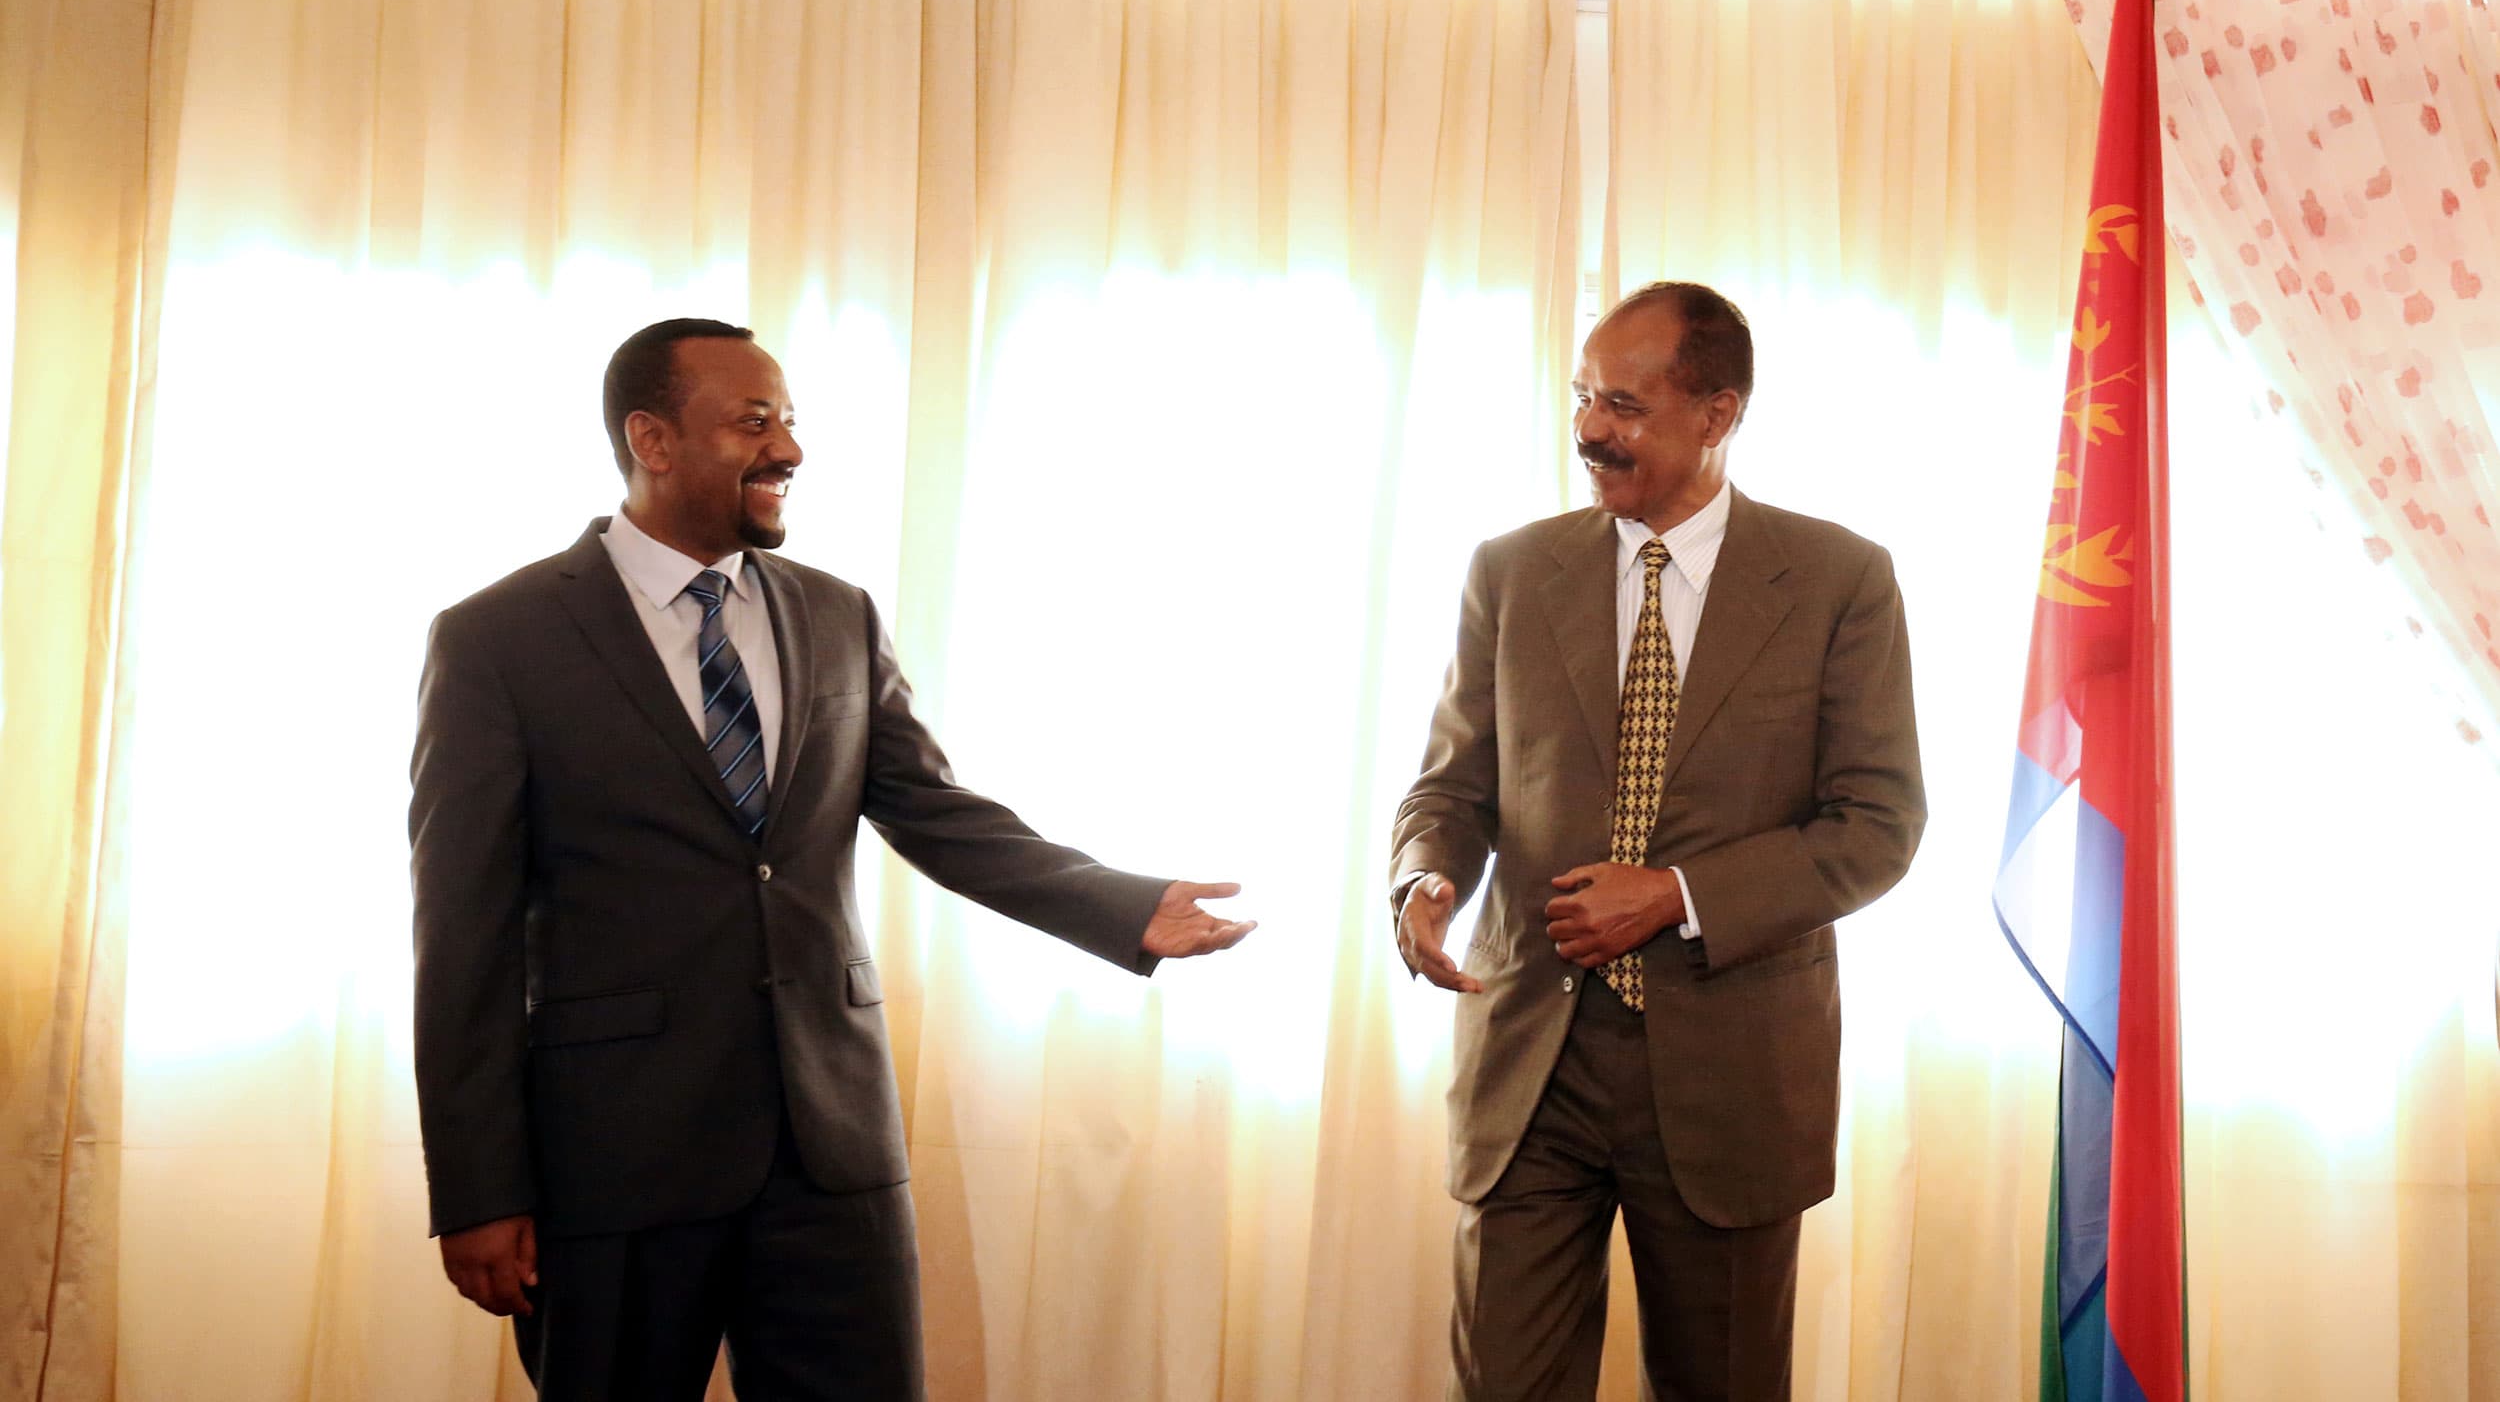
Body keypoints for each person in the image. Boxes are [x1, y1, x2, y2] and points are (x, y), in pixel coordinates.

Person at [410, 317, 1254, 1401]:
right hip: (614, 1157)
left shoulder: (834, 614)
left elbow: (933, 811)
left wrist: (1119, 907)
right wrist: (479, 1187)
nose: (790, 452)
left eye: (792, 423)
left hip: (831, 1149)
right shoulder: (498, 638)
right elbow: (459, 927)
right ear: (652, 440)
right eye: (754, 423)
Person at [1389, 283, 1924, 1401]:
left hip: (1730, 1074)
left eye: (1623, 405)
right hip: (1532, 1060)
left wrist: (1676, 893)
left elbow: (1876, 826)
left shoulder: (1839, 582)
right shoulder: (1511, 570)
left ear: (1718, 413)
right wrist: (1426, 873)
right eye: (1583, 397)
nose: (1589, 429)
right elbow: (1454, 784)